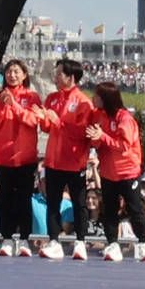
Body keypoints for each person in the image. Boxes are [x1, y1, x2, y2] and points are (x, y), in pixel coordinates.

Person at [0, 59, 47, 242]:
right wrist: (1, 105)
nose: (12, 75)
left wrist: (15, 105)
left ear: (24, 75)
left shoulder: (32, 97)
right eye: (9, 72)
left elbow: (32, 121)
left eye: (16, 72)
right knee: (5, 201)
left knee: (24, 200)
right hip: (3, 157)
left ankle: (24, 238)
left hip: (25, 158)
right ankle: (6, 238)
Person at [87, 79, 145, 251]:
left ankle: (143, 243)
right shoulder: (99, 116)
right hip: (108, 172)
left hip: (128, 172)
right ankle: (112, 243)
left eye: (97, 96)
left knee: (134, 207)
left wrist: (102, 136)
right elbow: (97, 143)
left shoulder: (124, 118)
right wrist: (96, 139)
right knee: (109, 210)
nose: (93, 98)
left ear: (106, 98)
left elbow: (124, 146)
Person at [39, 61, 98, 239]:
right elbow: (47, 128)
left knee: (79, 203)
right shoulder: (52, 98)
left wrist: (58, 121)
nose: (55, 78)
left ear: (71, 77)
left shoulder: (83, 102)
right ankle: (53, 240)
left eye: (59, 74)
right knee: (53, 203)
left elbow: (82, 132)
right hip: (53, 160)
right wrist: (43, 119)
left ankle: (80, 240)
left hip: (74, 162)